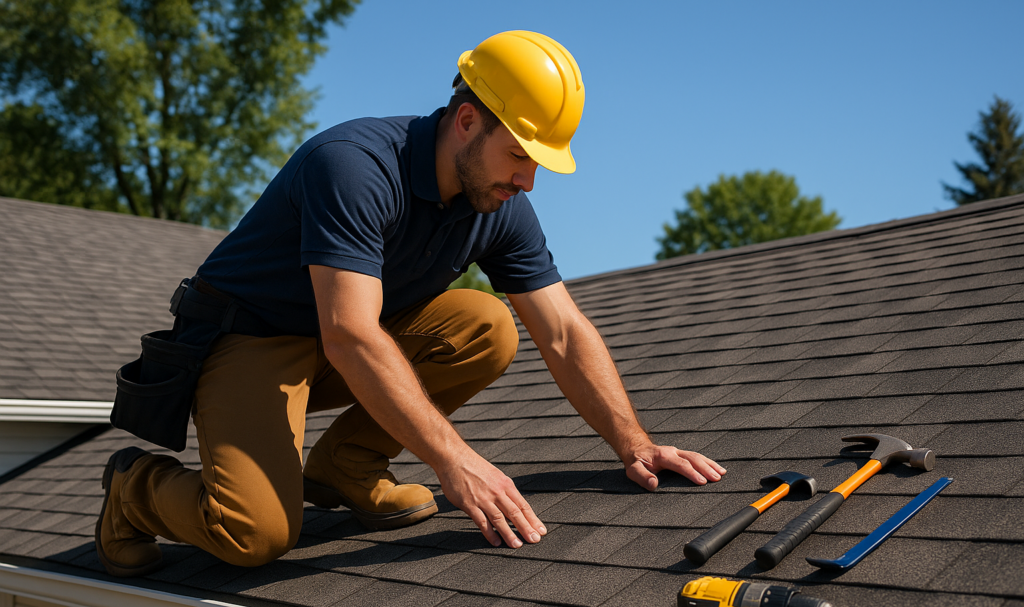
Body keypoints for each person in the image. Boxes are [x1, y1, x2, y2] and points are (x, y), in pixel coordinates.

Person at [98, 30, 726, 578]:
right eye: (519, 156)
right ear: (467, 120)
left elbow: (561, 330)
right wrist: (456, 462)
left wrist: (634, 444)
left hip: (340, 340)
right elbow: (349, 335)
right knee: (256, 535)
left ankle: (347, 465)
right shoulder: (355, 167)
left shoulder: (501, 208)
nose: (527, 180)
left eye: (538, 164)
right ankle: (135, 488)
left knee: (486, 325)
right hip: (250, 338)